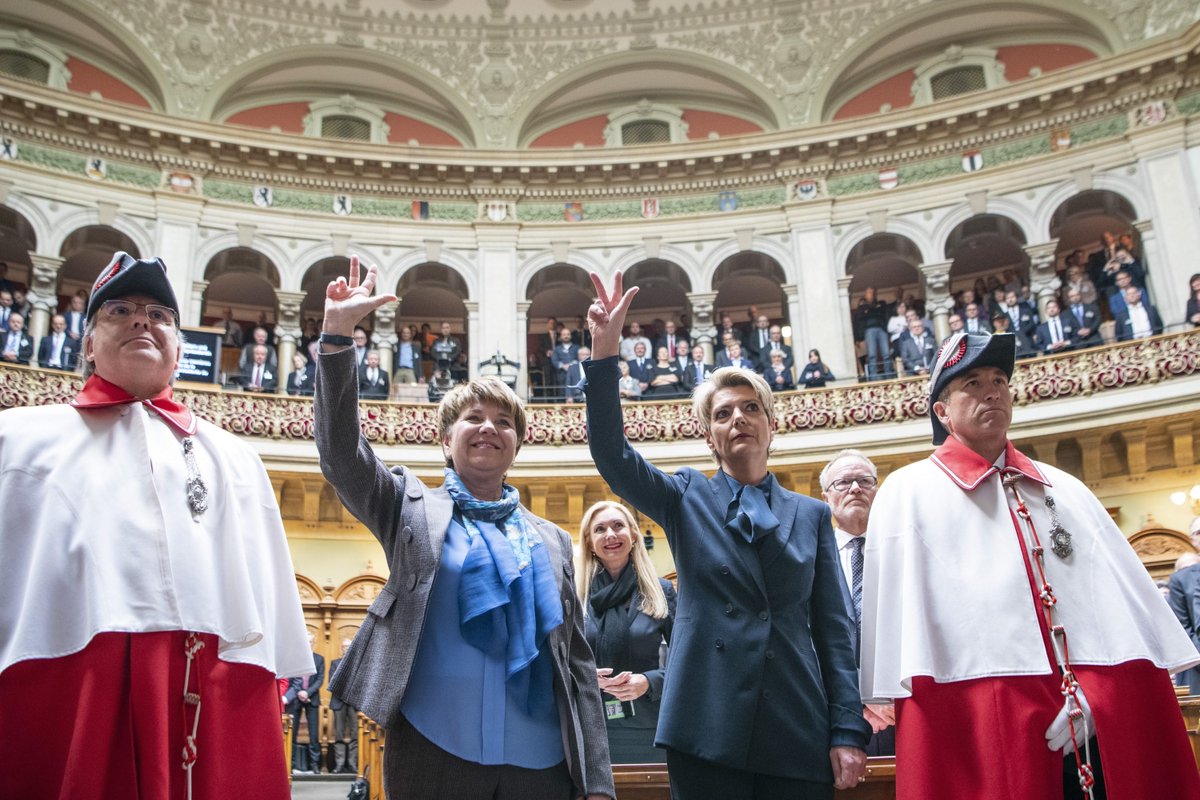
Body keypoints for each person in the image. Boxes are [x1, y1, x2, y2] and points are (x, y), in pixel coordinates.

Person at [0, 251, 312, 800]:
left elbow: (267, 601)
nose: (142, 320)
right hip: (64, 685)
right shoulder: (18, 441)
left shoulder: (236, 457)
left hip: (210, 687)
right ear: (88, 343)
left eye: (159, 314)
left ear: (179, 349)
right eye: (118, 310)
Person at [313, 257, 614, 800]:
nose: (488, 429)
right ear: (446, 440)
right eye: (472, 418)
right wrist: (337, 339)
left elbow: (575, 660)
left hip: (542, 757)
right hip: (433, 746)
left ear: (517, 447)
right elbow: (341, 455)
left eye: (503, 422)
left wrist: (597, 782)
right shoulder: (409, 507)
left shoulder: (551, 539)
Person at [859, 332, 1200, 799]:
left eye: (999, 380)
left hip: (1093, 725)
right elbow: (909, 641)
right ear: (942, 412)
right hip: (978, 726)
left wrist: (1101, 696)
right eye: (972, 384)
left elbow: (1120, 619)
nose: (992, 391)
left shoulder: (1068, 490)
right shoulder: (907, 493)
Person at [583, 271, 869, 799]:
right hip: (706, 723)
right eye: (723, 413)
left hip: (796, 721)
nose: (738, 417)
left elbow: (832, 635)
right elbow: (613, 457)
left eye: (750, 407)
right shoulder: (685, 496)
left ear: (771, 424)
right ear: (708, 434)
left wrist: (847, 728)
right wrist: (604, 356)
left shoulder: (809, 515)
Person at [577, 501, 677, 764]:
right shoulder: (575, 596)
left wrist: (647, 682)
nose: (610, 534)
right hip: (589, 726)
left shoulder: (662, 591)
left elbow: (689, 662)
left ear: (633, 535)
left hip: (649, 728)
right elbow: (561, 661)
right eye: (599, 529)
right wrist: (585, 675)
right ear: (589, 542)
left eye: (618, 525)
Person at [819, 450, 895, 757]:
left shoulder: (904, 549)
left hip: (900, 710)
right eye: (844, 482)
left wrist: (891, 698)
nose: (855, 488)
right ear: (826, 497)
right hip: (832, 717)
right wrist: (855, 701)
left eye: (865, 481)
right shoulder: (810, 557)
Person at [286, 632, 326, 774]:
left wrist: (307, 693)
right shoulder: (294, 658)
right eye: (306, 641)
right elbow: (290, 678)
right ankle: (291, 764)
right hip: (295, 699)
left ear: (313, 643)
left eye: (310, 642)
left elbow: (320, 679)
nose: (308, 644)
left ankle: (315, 765)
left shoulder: (319, 659)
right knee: (292, 731)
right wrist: (298, 693)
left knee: (314, 734)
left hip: (312, 699)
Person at [329, 638, 359, 774]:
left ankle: (353, 764)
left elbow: (359, 682)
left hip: (353, 702)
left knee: (355, 735)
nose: (346, 648)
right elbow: (332, 682)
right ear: (341, 648)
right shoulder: (335, 663)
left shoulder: (357, 663)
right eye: (344, 646)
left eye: (349, 646)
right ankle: (339, 764)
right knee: (339, 735)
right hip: (339, 702)